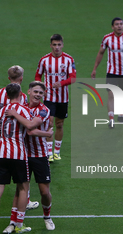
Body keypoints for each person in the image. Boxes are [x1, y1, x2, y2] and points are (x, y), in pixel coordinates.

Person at [0, 83, 43, 234]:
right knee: (23, 188)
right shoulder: (24, 110)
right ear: (21, 94)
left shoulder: (1, 112)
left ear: (6, 95)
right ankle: (19, 224)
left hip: (1, 154)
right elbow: (31, 129)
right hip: (18, 154)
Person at [3, 81, 55, 234]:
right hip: (22, 154)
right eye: (36, 92)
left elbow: (31, 128)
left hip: (40, 155)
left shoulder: (44, 110)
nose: (38, 95)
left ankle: (47, 217)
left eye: (41, 93)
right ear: (29, 92)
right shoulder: (22, 109)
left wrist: (15, 115)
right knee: (20, 190)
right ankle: (13, 223)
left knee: (44, 192)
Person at [91, 17, 123, 128]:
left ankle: (120, 114)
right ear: (112, 27)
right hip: (111, 71)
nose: (119, 26)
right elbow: (101, 53)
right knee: (111, 95)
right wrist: (95, 68)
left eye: (121, 24)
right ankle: (111, 118)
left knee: (122, 94)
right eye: (117, 24)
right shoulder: (107, 38)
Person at [35, 34, 76, 162]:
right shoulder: (44, 60)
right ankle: (48, 153)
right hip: (49, 97)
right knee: (49, 123)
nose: (57, 47)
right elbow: (38, 76)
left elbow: (73, 78)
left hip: (63, 98)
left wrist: (61, 83)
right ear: (51, 45)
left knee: (60, 124)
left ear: (62, 45)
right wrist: (42, 89)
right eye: (54, 45)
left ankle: (57, 152)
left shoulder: (69, 60)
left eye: (59, 45)